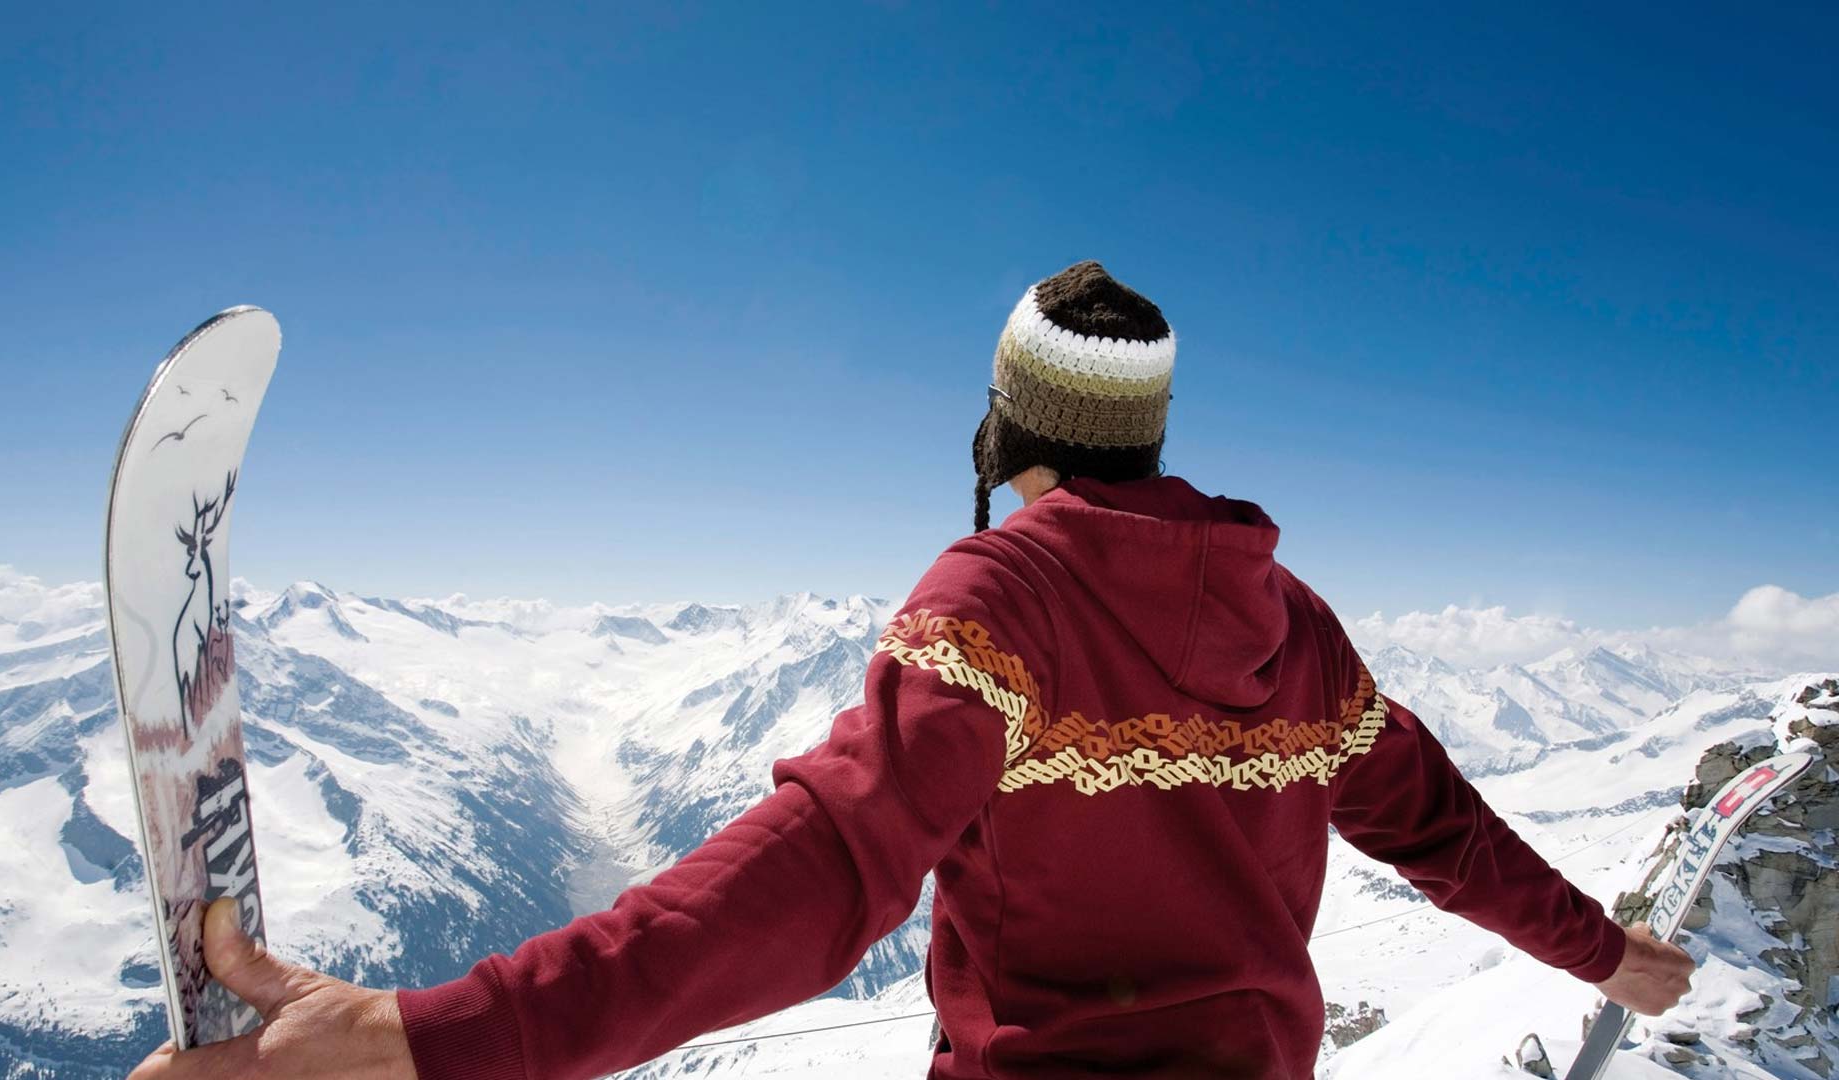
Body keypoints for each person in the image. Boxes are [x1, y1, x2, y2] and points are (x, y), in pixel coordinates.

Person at [130, 262, 1695, 1080]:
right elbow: (1442, 832)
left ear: (1010, 427)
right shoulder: (1298, 625)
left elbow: (821, 877)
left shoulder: (1002, 598)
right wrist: (1600, 957)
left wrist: (443, 1036)